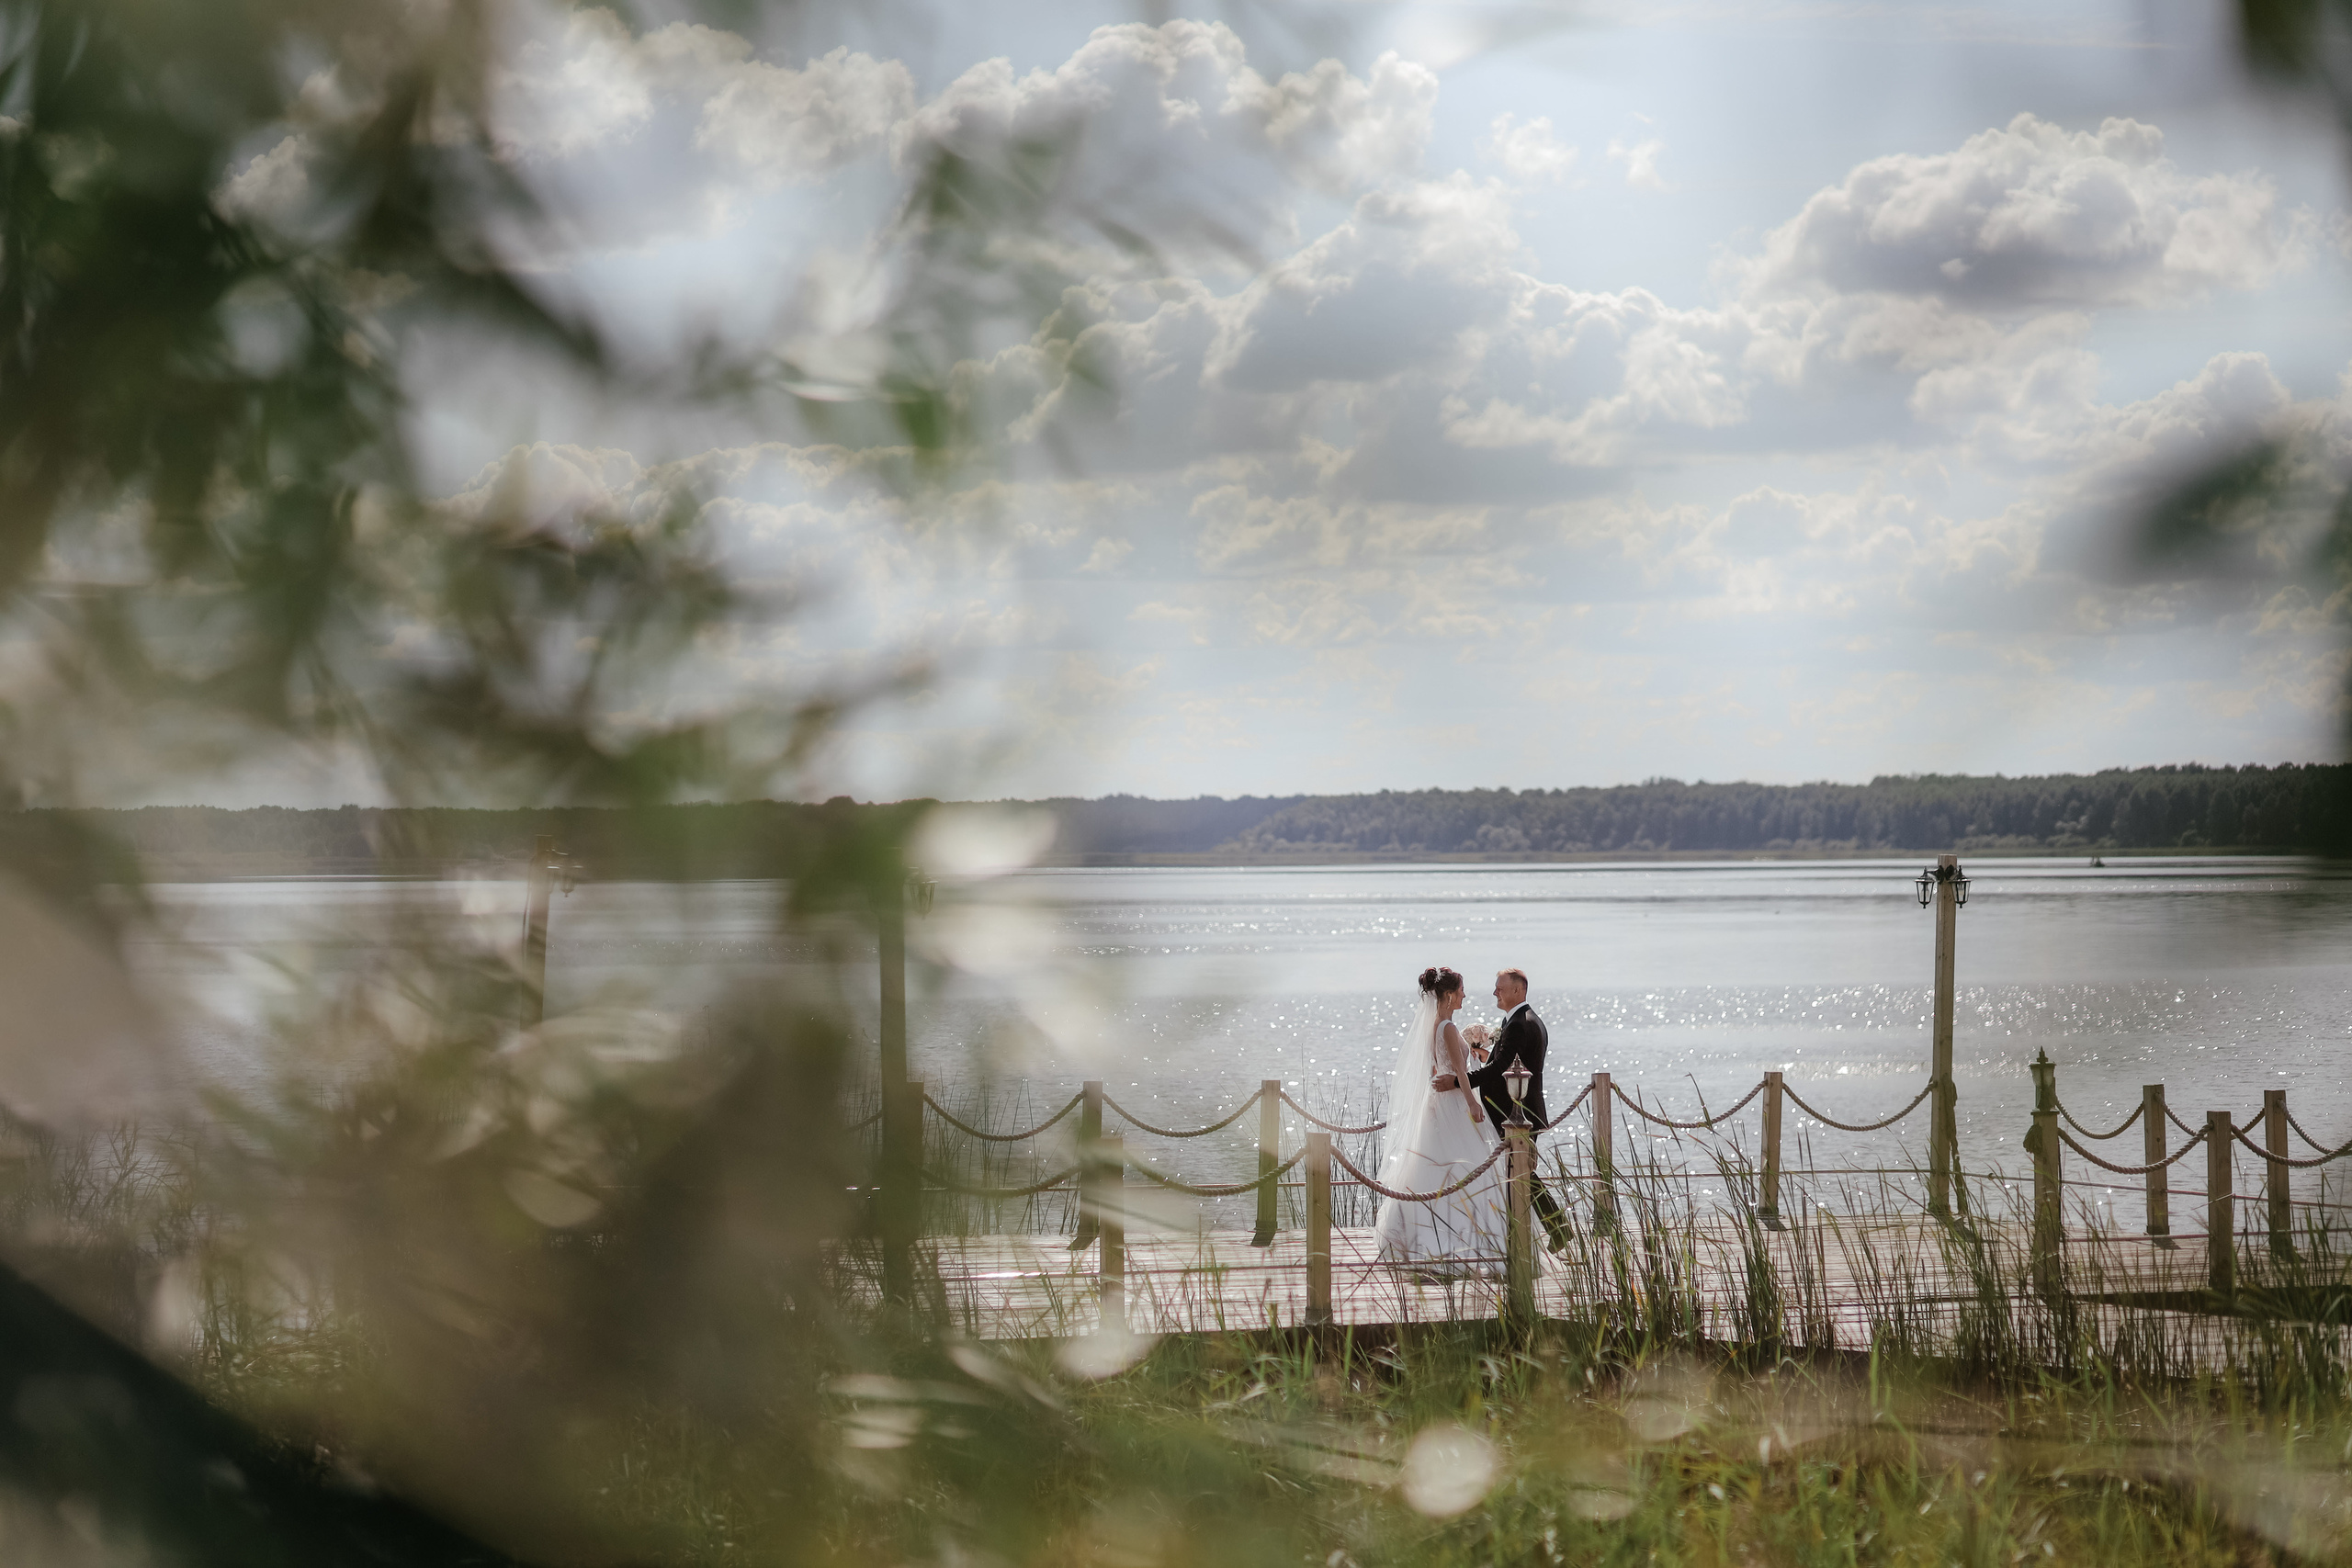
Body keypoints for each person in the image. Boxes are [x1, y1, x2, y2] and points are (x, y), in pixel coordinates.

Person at [1371, 966, 1512, 1275]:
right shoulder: (1447, 1027)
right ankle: (1463, 1238)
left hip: (1439, 1103)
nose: (1464, 994)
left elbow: (1442, 1067)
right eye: (1461, 989)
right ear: (1449, 995)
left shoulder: (1436, 1025)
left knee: (1438, 1166)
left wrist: (1473, 1050)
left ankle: (1424, 1234)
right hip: (1454, 1105)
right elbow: (1460, 1073)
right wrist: (1474, 1103)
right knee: (1463, 1165)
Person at [1437, 967, 1572, 1252]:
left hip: (1517, 1112)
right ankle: (1550, 1228)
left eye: (1500, 988)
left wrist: (1456, 1082)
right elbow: (1505, 1062)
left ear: (1517, 991)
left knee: (1522, 1172)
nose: (1495, 992)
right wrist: (1486, 1056)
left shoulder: (1522, 1024)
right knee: (1521, 1173)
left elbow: (1501, 1069)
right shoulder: (1516, 1021)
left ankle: (1553, 1228)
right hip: (1513, 1111)